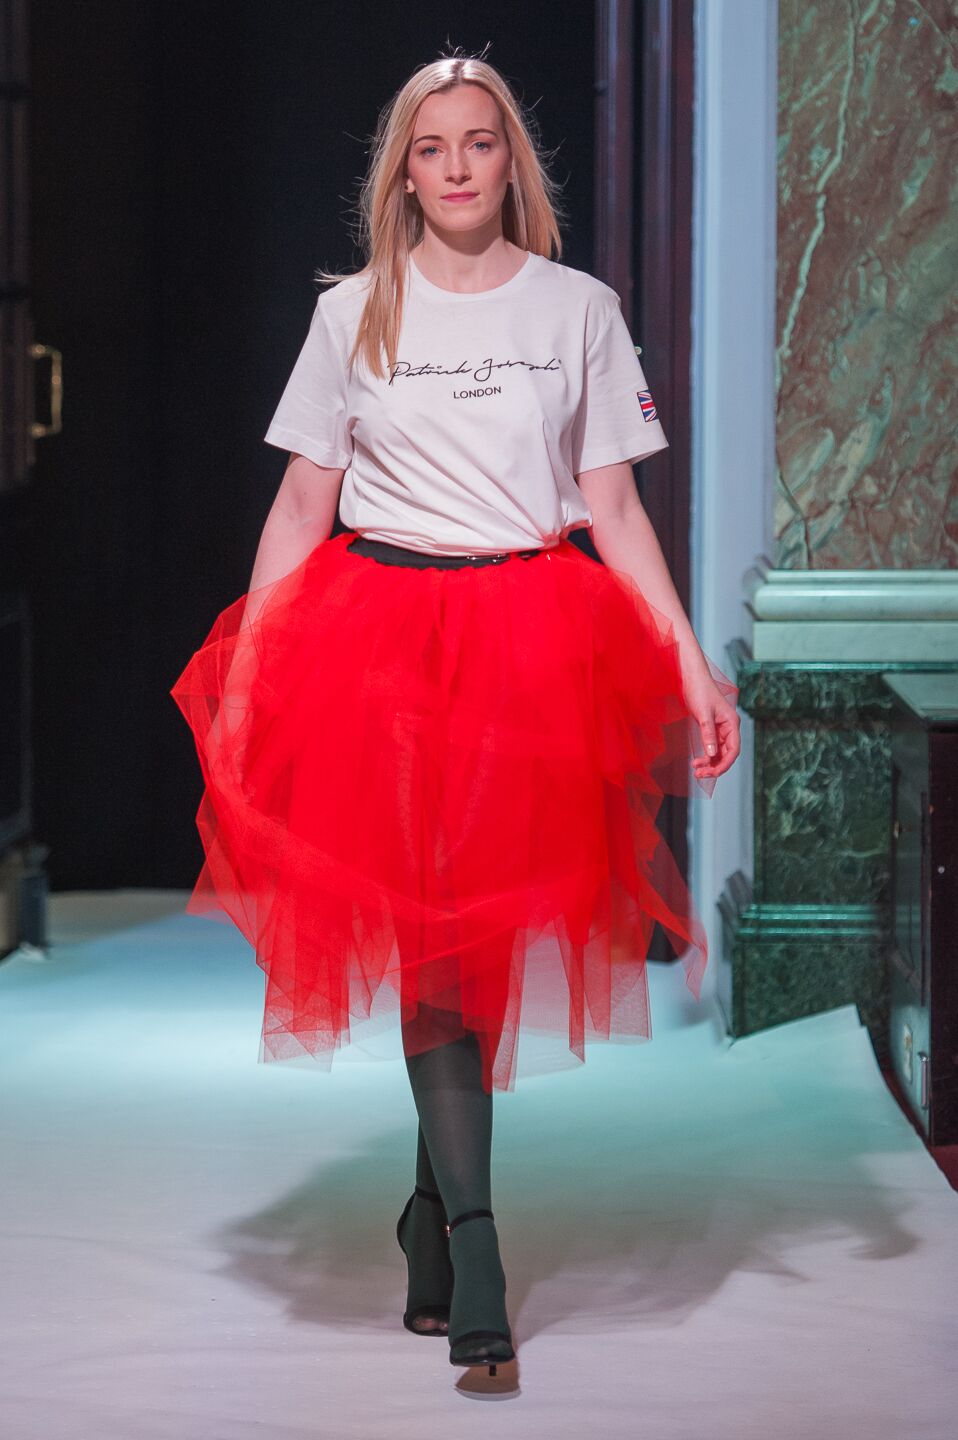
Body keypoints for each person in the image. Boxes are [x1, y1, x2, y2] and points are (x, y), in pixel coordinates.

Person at [170, 50, 740, 1380]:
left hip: (532, 642)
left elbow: (615, 511)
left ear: (510, 160)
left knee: (471, 932)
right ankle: (476, 1238)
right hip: (377, 642)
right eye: (432, 149)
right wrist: (252, 670)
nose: (458, 166)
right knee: (431, 926)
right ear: (404, 173)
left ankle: (430, 1210)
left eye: (480, 142)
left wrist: (692, 669)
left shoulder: (578, 309)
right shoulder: (353, 312)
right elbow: (301, 505)